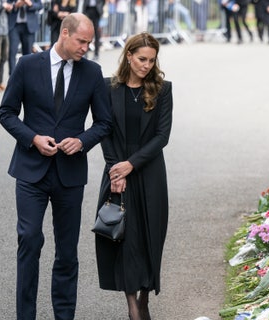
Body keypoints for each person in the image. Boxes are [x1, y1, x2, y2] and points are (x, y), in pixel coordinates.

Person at [0, 13, 111, 319]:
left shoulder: (92, 72)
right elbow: (6, 112)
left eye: (89, 42)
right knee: (30, 240)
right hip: (30, 171)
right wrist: (32, 138)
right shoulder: (27, 66)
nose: (87, 47)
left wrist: (83, 141)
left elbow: (104, 123)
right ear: (64, 33)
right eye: (81, 41)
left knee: (67, 252)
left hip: (70, 174)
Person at [96, 32, 173, 320]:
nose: (147, 65)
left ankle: (144, 298)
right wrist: (116, 168)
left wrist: (131, 164)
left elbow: (162, 136)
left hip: (149, 170)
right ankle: (132, 308)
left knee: (151, 235)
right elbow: (104, 131)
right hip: (117, 171)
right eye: (142, 59)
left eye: (152, 60)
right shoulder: (107, 88)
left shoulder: (163, 89)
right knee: (124, 237)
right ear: (128, 56)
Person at [7, 0, 42, 75]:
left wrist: (30, 4)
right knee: (12, 52)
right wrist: (15, 5)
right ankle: (12, 77)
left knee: (27, 54)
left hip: (29, 27)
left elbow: (39, 6)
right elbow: (6, 4)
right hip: (14, 26)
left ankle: (26, 77)